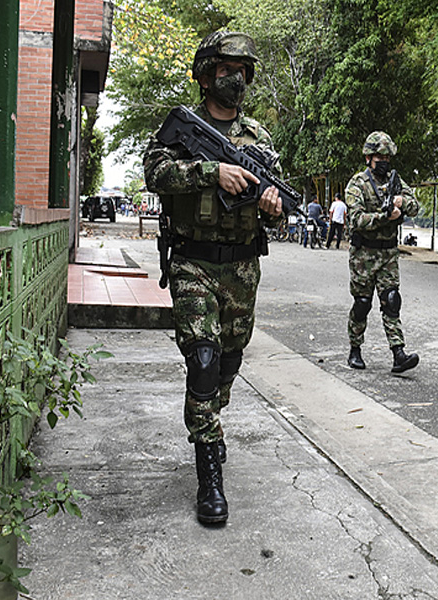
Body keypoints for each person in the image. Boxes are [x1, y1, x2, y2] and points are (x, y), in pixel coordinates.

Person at [143, 31, 283, 525]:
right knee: (202, 360)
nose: (235, 79)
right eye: (226, 69)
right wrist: (211, 172)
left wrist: (271, 205)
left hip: (243, 267)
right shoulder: (184, 126)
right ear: (206, 74)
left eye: (243, 71)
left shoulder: (259, 139)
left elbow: (278, 214)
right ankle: (209, 475)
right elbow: (155, 173)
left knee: (227, 363)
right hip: (192, 262)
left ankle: (210, 421)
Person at [345, 131, 420, 373]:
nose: (384, 161)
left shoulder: (395, 181)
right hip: (363, 255)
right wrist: (385, 216)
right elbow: (357, 219)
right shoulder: (358, 184)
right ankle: (355, 349)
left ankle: (398, 353)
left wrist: (400, 202)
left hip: (388, 254)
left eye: (387, 157)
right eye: (379, 156)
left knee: (391, 302)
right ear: (368, 157)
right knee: (362, 304)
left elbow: (415, 205)